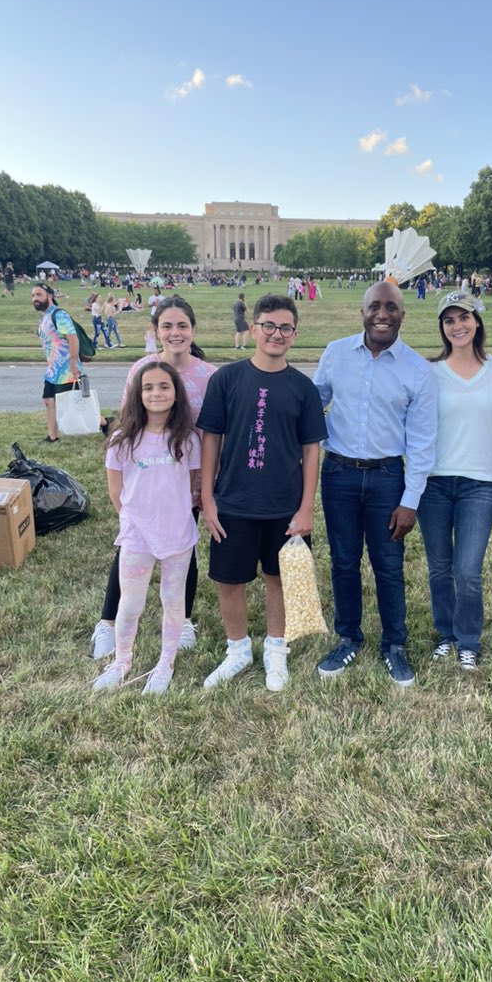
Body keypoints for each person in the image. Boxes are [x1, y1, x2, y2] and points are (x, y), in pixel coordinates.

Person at [199, 294, 326, 693]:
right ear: (253, 329)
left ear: (295, 334)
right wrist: (208, 497)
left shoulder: (303, 388)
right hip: (233, 501)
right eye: (268, 325)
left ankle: (276, 648)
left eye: (285, 327)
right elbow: (211, 440)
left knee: (279, 578)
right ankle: (237, 649)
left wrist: (306, 508)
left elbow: (311, 450)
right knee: (229, 580)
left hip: (284, 506)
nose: (276, 334)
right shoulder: (227, 379)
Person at [313, 280, 437, 687]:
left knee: (388, 565)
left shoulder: (418, 370)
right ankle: (348, 637)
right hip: (338, 474)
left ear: (403, 313)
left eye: (391, 307)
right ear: (362, 312)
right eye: (374, 307)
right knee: (344, 562)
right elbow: (313, 402)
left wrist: (411, 500)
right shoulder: (335, 353)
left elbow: (421, 442)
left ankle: (394, 645)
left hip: (388, 479)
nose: (382, 314)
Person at [90, 297, 217, 660]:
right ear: (156, 331)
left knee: (184, 549)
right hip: (146, 477)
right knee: (130, 548)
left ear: (193, 330)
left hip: (184, 476)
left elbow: (213, 433)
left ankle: (185, 619)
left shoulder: (208, 375)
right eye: (167, 326)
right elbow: (130, 417)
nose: (175, 333)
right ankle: (108, 623)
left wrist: (203, 485)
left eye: (182, 326)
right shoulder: (142, 367)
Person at [417, 292, 492, 670]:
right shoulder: (430, 372)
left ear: (477, 322)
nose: (458, 326)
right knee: (440, 566)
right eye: (449, 320)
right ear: (442, 328)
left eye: (464, 317)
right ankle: (447, 634)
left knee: (468, 570)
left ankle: (469, 640)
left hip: (479, 483)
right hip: (435, 482)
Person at [93, 363, 201, 694]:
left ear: (176, 393)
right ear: (138, 395)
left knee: (173, 600)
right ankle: (122, 661)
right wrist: (135, 520)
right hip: (137, 535)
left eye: (164, 387)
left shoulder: (188, 439)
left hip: (178, 535)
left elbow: (194, 484)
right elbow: (117, 491)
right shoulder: (122, 440)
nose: (156, 393)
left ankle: (165, 663)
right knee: (131, 602)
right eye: (149, 387)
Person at [32, 283, 82, 443]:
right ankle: (52, 437)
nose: (35, 299)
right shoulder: (44, 317)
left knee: (71, 407)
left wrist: (74, 363)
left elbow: (73, 339)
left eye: (39, 295)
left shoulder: (59, 315)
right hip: (53, 370)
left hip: (66, 369)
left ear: (50, 295)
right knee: (48, 400)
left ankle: (106, 423)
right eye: (33, 296)